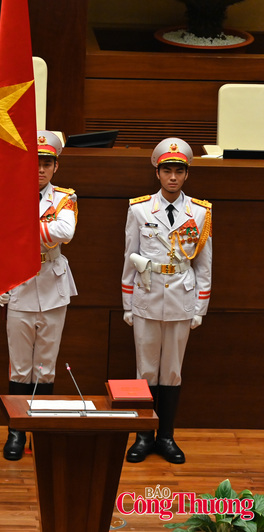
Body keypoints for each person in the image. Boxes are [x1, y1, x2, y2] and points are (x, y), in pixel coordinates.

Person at [122, 138, 212, 464]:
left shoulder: (200, 213)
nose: (172, 177)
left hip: (182, 299)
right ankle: (143, 437)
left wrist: (200, 307)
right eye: (167, 170)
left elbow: (204, 265)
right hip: (146, 295)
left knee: (172, 372)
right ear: (157, 173)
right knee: (144, 371)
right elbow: (129, 257)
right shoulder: (139, 209)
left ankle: (167, 436)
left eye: (178, 171)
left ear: (186, 174)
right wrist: (127, 303)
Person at [0, 131, 78, 461]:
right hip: (19, 283)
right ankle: (17, 431)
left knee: (46, 367)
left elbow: (66, 231)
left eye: (47, 163)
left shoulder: (64, 197)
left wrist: (24, 228)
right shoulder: (9, 194)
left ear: (55, 166)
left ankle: (41, 431)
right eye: (36, 163)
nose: (41, 170)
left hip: (53, 286)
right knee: (19, 367)